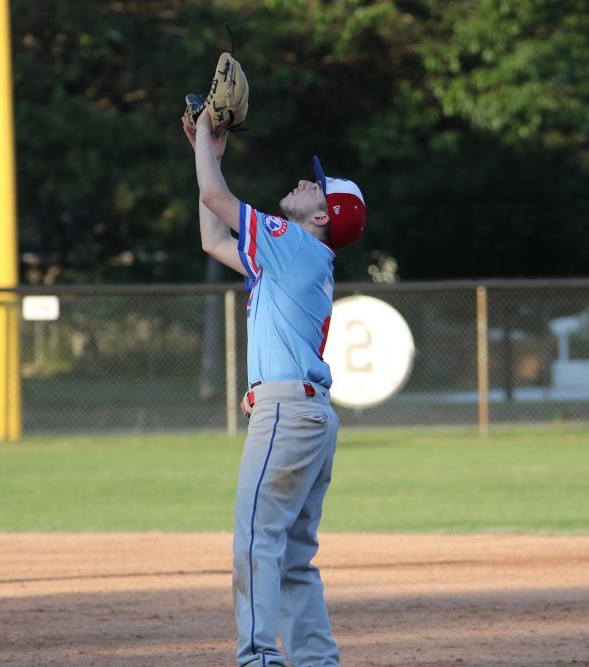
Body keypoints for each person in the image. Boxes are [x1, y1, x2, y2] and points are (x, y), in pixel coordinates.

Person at [182, 108, 366, 667]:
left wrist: (205, 139)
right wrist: (209, 155)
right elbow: (213, 239)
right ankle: (315, 661)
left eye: (318, 187)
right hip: (309, 417)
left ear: (322, 216)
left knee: (257, 542)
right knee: (291, 560)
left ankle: (260, 658)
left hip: (286, 414)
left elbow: (215, 199)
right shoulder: (294, 259)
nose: (307, 182)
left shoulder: (294, 245)